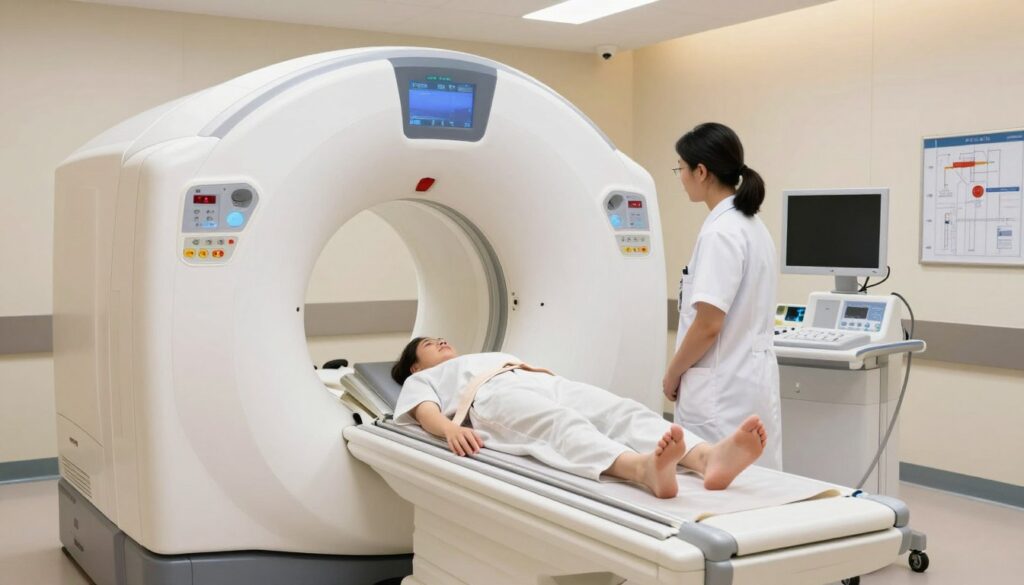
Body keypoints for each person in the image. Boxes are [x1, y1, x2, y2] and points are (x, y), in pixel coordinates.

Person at [391, 337, 767, 499]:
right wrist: (450, 429)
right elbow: (425, 412)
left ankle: (706, 458)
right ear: (415, 366)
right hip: (490, 397)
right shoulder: (424, 379)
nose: (440, 342)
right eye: (429, 344)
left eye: (441, 338)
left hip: (540, 379)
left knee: (619, 410)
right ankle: (641, 469)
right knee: (560, 425)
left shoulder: (484, 355)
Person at [664, 122, 783, 470]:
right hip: (750, 382)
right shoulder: (754, 227)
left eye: (681, 169)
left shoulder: (720, 233)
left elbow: (708, 325)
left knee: (715, 480)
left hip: (721, 391)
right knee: (756, 482)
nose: (681, 178)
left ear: (701, 172)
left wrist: (673, 374)